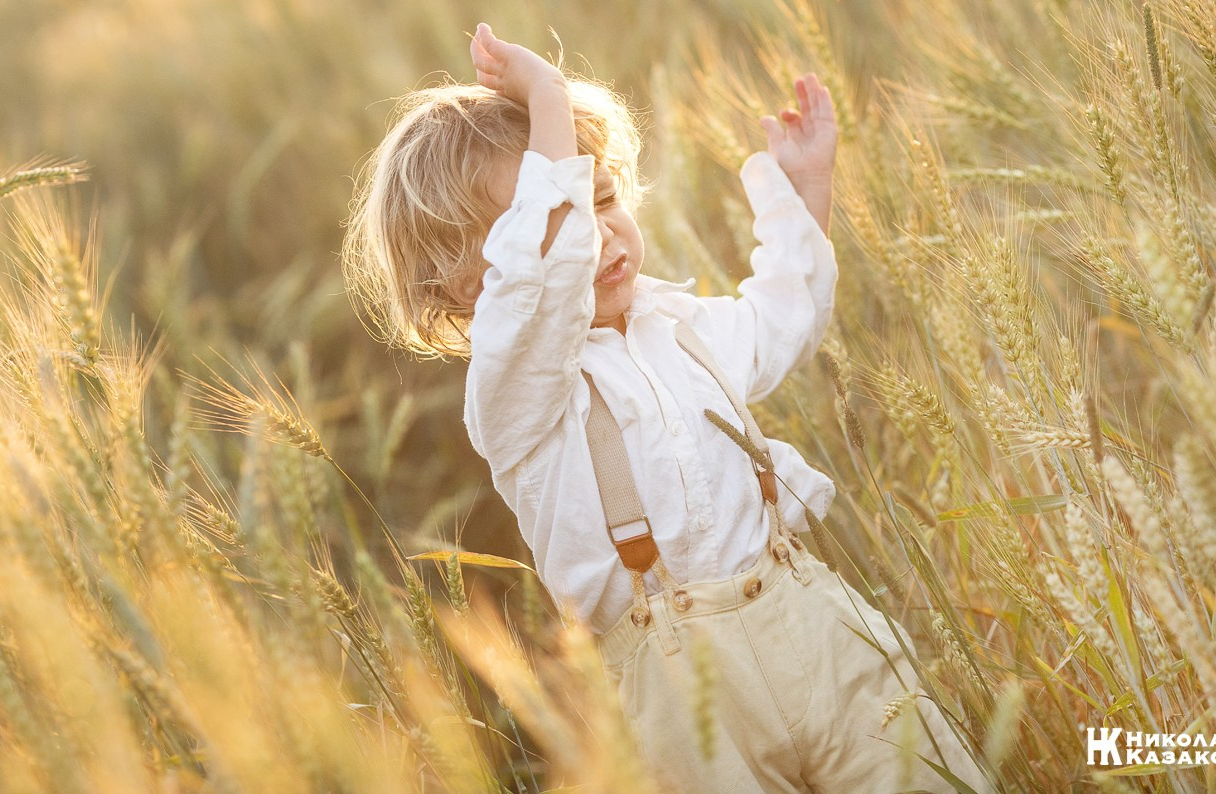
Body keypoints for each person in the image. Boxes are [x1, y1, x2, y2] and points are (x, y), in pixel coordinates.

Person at [342, 21, 990, 794]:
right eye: (561, 218)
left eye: (603, 198)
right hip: (677, 692)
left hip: (812, 621)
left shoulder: (676, 325)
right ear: (470, 286)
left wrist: (805, 193)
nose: (596, 233)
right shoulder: (517, 394)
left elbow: (784, 318)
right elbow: (548, 277)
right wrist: (546, 96)